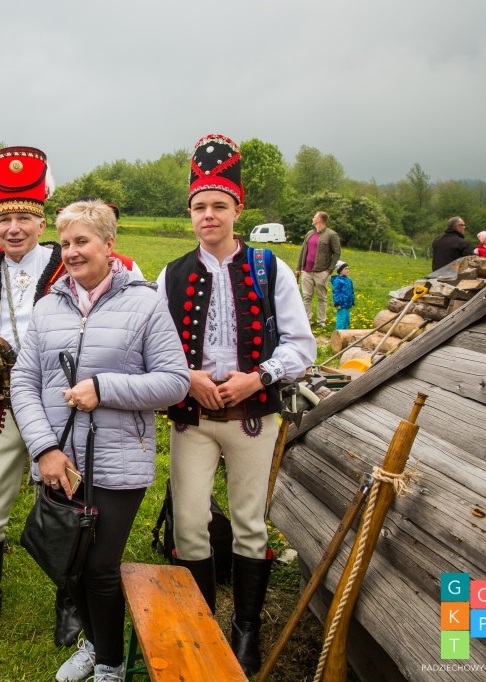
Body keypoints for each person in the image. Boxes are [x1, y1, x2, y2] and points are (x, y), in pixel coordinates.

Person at [11, 200, 189, 682]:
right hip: (60, 459)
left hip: (118, 459)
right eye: (65, 242)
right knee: (69, 562)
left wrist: (104, 388)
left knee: (100, 567)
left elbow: (174, 382)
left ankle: (110, 664)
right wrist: (44, 449)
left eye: (82, 241)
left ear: (109, 245)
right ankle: (95, 644)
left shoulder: (146, 304)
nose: (71, 251)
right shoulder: (47, 307)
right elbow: (23, 381)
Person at [158, 134, 315, 676]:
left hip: (252, 417)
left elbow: (301, 346)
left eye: (218, 206)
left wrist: (258, 378)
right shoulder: (172, 273)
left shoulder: (271, 269)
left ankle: (246, 629)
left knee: (249, 522)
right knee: (188, 521)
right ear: (190, 212)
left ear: (236, 210)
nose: (208, 215)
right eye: (199, 206)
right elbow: (157, 347)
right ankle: (201, 622)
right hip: (193, 418)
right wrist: (189, 377)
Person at [0, 146, 81, 648]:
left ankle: (69, 599)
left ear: (41, 220)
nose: (13, 229)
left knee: (69, 502)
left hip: (61, 406)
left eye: (24, 218)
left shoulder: (69, 263)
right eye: (3, 219)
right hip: (0, 407)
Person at [295, 210, 341, 327]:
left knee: (322, 298)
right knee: (306, 297)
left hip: (321, 272)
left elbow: (337, 253)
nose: (312, 218)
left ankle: (321, 322)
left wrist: (328, 271)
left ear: (319, 220)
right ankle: (307, 321)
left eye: (314, 217)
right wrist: (298, 268)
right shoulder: (309, 233)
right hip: (306, 270)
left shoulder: (331, 235)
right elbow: (303, 251)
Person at [331, 261, 355, 330]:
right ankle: (338, 333)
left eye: (348, 268)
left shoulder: (349, 280)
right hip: (341, 305)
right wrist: (337, 303)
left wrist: (352, 302)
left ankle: (345, 334)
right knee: (341, 320)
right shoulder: (337, 281)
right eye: (345, 269)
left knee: (347, 320)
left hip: (347, 304)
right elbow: (336, 293)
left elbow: (351, 291)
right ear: (340, 270)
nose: (348, 270)